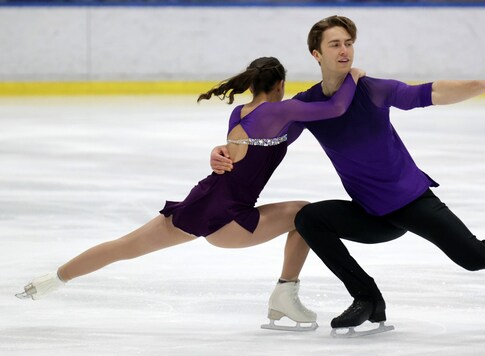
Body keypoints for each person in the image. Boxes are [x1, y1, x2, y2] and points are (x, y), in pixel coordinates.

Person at [210, 17, 485, 336]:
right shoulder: (307, 105)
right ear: (316, 54)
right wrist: (224, 151)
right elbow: (270, 140)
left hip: (410, 201)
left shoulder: (372, 89)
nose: (345, 51)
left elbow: (431, 92)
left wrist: (483, 84)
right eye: (335, 45)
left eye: (349, 43)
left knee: (473, 257)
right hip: (370, 213)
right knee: (309, 218)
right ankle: (367, 298)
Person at [17, 57, 364, 332]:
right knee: (305, 214)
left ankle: (51, 280)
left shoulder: (242, 113)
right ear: (280, 85)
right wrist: (353, 78)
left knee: (125, 246)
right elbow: (332, 109)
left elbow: (257, 145)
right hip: (231, 218)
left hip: (202, 201)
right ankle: (284, 294)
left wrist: (218, 151)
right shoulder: (278, 111)